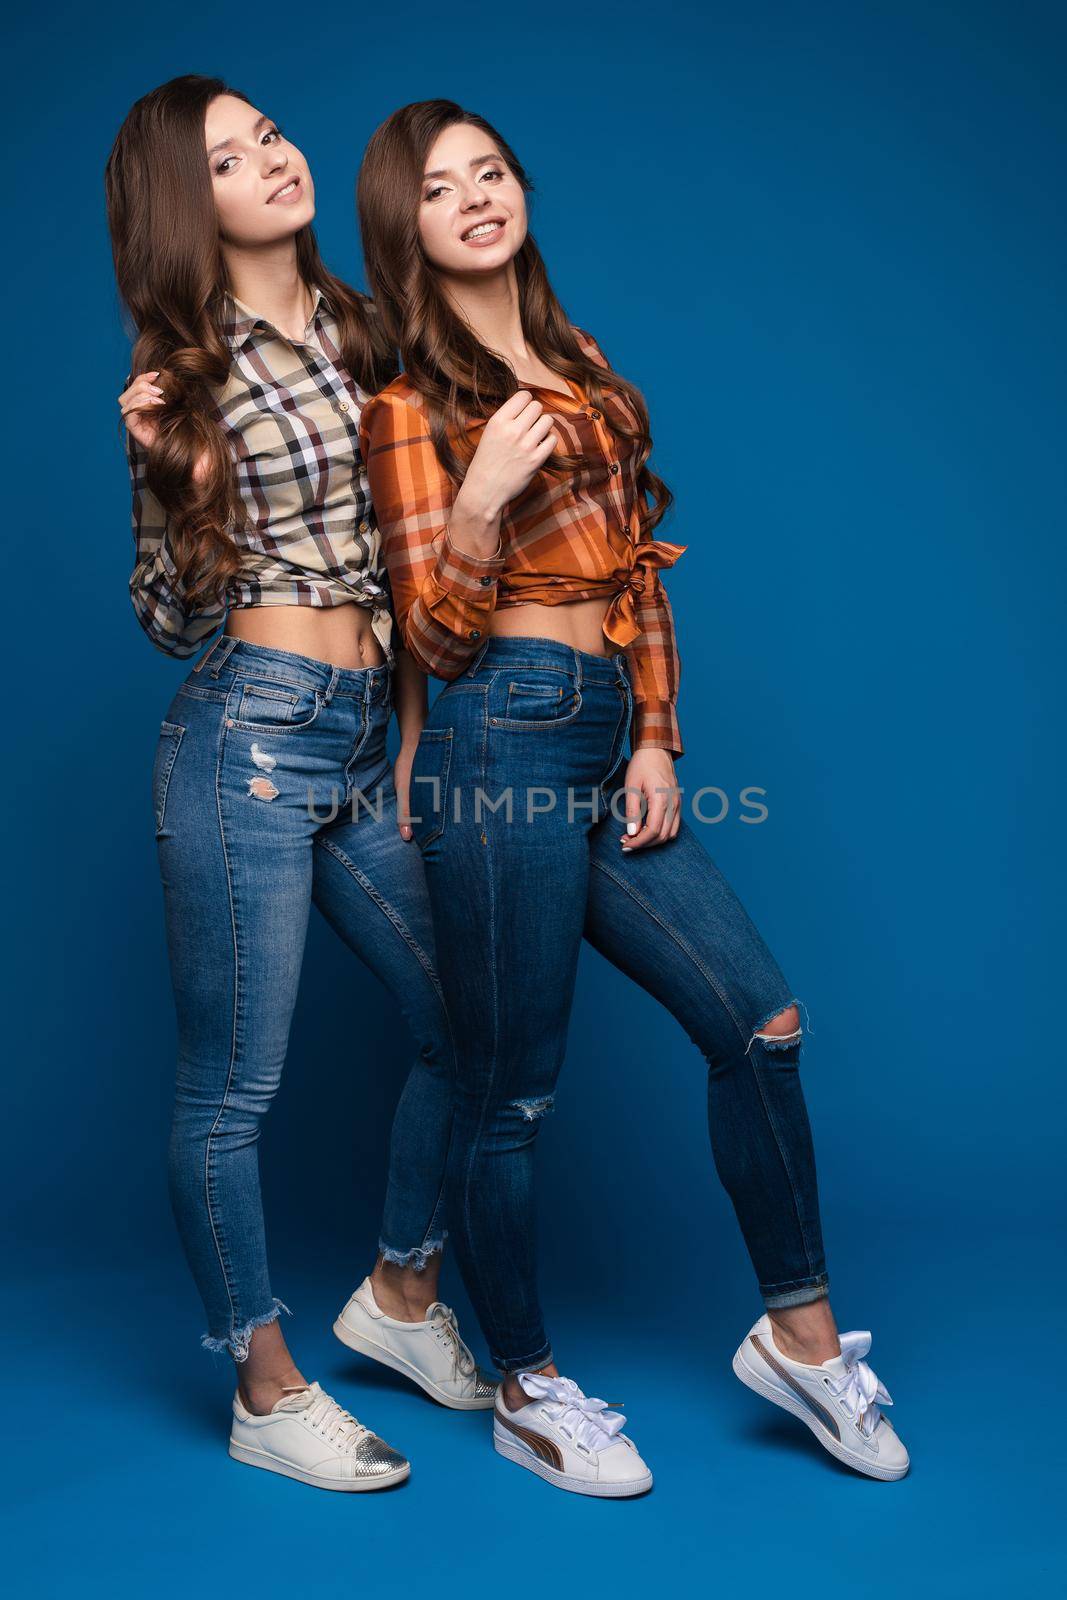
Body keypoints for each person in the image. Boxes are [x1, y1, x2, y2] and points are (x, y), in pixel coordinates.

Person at [356, 99, 909, 1497]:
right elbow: (428, 638)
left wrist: (656, 735)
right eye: (441, 187)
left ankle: (799, 1343)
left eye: (492, 170)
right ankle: (528, 1389)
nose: (477, 197)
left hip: (605, 741)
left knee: (759, 1021)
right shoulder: (410, 406)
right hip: (496, 738)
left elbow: (637, 576)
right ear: (404, 227)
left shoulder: (587, 366)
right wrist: (478, 504)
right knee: (512, 1092)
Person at [105, 75, 494, 1493]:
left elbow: (413, 551)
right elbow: (165, 616)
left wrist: (403, 730)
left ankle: (398, 1298)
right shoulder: (182, 376)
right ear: (183, 202)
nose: (272, 157)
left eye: (271, 131)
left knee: (468, 1021)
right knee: (233, 1092)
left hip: (354, 737)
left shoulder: (367, 327)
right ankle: (266, 1388)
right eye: (230, 155)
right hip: (245, 739)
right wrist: (166, 471)